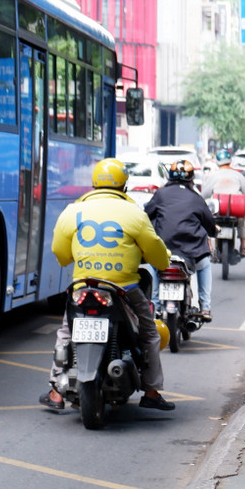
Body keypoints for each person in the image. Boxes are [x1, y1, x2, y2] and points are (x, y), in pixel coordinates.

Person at [40, 158, 175, 412]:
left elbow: (60, 252)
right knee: (148, 334)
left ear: (93, 184)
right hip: (124, 289)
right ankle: (152, 391)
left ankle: (56, 393)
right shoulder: (135, 213)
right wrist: (162, 260)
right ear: (124, 185)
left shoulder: (73, 211)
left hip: (82, 288)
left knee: (66, 333)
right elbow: (157, 255)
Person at [144, 160, 218, 320]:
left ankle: (155, 304)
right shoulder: (195, 198)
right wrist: (213, 231)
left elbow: (146, 214)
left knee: (153, 265)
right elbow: (209, 223)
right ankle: (205, 307)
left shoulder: (160, 194)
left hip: (164, 250)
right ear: (191, 178)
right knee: (204, 266)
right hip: (192, 251)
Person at [198, 150, 245, 257]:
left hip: (217, 209)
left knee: (206, 222)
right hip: (235, 209)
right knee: (241, 222)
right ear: (230, 161)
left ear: (218, 162)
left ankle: (210, 247)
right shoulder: (238, 175)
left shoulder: (213, 176)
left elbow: (204, 194)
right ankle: (242, 247)